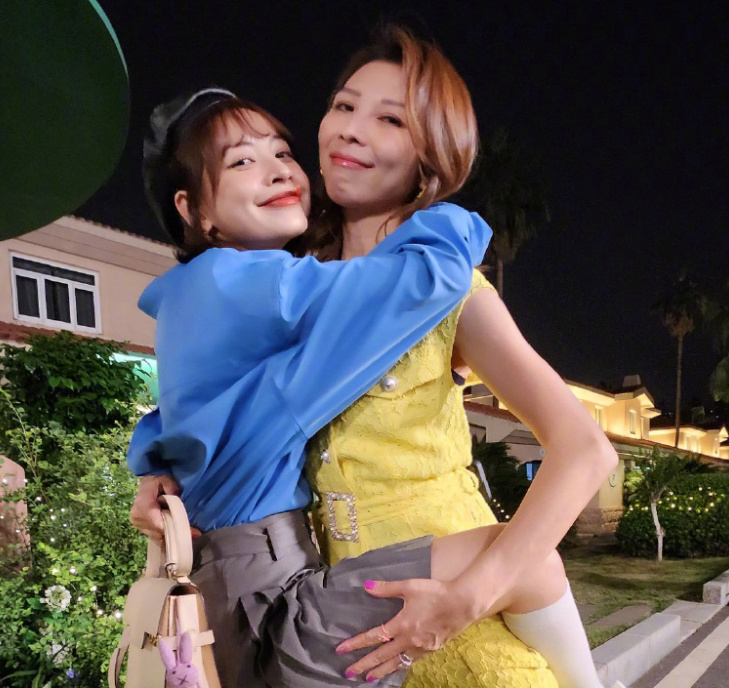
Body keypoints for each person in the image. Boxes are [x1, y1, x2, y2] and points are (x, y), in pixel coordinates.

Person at [128, 88, 621, 688]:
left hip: (254, 588)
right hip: (273, 608)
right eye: (241, 161)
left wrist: (151, 464)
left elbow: (186, 409)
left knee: (528, 562)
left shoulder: (203, 297)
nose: (278, 170)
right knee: (529, 562)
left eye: (281, 152)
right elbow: (416, 281)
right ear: (193, 210)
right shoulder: (251, 283)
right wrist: (450, 218)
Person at [295, 26, 624, 688]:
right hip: (358, 628)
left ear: (430, 158)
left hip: (468, 634)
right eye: (344, 105)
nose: (351, 129)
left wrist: (464, 602)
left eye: (390, 119)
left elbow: (586, 450)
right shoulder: (298, 290)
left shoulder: (448, 293)